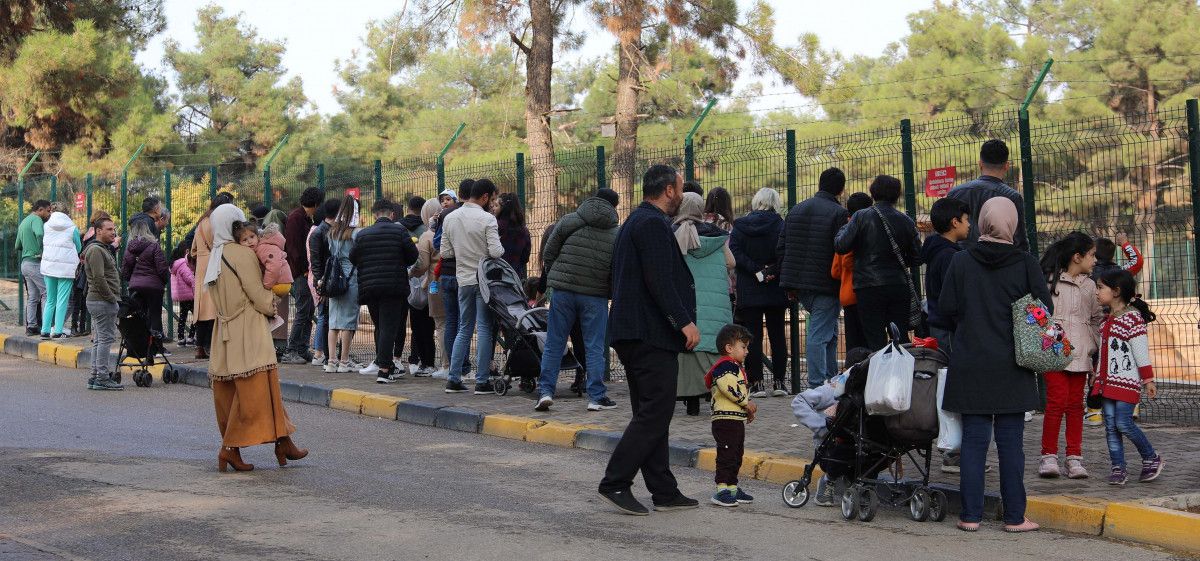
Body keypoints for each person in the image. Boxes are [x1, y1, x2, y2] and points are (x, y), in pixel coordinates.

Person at [939, 197, 1048, 533]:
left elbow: (946, 309)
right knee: (1011, 443)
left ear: (984, 221)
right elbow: (1043, 312)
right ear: (1012, 225)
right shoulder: (1026, 263)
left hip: (971, 362)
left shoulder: (961, 262)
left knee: (973, 441)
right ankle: (1014, 516)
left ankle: (970, 516)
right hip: (1012, 364)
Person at [598, 164, 700, 516]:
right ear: (669, 190)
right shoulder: (652, 224)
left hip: (634, 330)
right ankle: (615, 481)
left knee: (651, 412)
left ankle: (664, 490)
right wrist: (684, 322)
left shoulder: (635, 222)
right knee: (656, 411)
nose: (683, 194)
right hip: (648, 333)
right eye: (681, 188)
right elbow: (660, 281)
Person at [203, 203, 307, 473]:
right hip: (247, 329)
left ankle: (283, 442)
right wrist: (275, 301)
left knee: (232, 393)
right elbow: (257, 295)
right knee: (257, 391)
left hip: (223, 333)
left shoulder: (216, 254)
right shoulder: (241, 253)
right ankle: (229, 448)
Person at [534, 188, 620, 412]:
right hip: (595, 295)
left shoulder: (570, 220)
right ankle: (596, 396)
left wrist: (556, 276)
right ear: (614, 207)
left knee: (554, 343)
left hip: (562, 292)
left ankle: (545, 392)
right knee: (594, 346)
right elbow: (616, 268)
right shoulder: (615, 232)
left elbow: (548, 252)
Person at [1037, 232, 1102, 480]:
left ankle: (1074, 458)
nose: (1094, 260)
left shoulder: (1090, 286)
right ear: (1077, 257)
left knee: (1076, 405)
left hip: (1082, 354)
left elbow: (1096, 318)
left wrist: (1091, 343)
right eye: (1091, 255)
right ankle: (1048, 456)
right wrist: (1053, 341)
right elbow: (1038, 314)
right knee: (1056, 402)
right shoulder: (1049, 281)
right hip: (1054, 353)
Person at [779, 168, 849, 389]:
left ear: (820, 184)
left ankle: (830, 379)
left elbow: (782, 247)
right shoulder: (838, 213)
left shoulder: (796, 210)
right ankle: (818, 384)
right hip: (826, 283)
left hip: (799, 284)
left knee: (830, 332)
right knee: (819, 334)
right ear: (841, 189)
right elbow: (841, 249)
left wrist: (788, 281)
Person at [1093, 269, 1164, 485]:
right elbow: (1103, 356)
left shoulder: (1132, 319)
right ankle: (1118, 467)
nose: (1096, 293)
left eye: (1100, 288)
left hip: (1126, 383)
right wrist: (1096, 378)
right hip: (1106, 384)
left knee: (1123, 423)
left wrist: (1148, 380)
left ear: (1116, 291)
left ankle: (1151, 458)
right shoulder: (1105, 323)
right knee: (1111, 426)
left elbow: (1141, 353)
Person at [834, 175, 921, 350]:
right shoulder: (906, 220)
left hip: (868, 286)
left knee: (874, 339)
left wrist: (844, 227)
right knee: (900, 336)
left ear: (873, 193)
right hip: (898, 285)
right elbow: (917, 257)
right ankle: (902, 374)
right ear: (897, 196)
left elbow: (841, 245)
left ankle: (878, 375)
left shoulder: (861, 216)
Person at [672, 192, 736, 416]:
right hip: (715, 303)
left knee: (688, 349)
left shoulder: (673, 234)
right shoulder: (717, 235)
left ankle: (690, 399)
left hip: (688, 305)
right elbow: (731, 262)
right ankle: (714, 392)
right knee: (714, 345)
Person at [920, 196, 971, 474]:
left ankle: (952, 448)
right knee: (953, 386)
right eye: (966, 219)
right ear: (955, 222)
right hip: (950, 327)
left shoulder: (935, 251)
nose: (969, 224)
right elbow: (954, 298)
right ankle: (953, 452)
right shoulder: (950, 256)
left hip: (938, 325)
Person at [442, 179, 505, 394]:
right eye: (493, 198)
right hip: (484, 281)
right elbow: (496, 252)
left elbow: (445, 253)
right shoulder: (487, 219)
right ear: (485, 197)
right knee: (485, 329)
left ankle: (453, 377)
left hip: (463, 280)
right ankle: (482, 381)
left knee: (464, 328)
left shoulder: (450, 218)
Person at [791, 346, 872, 507]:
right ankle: (828, 481)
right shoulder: (833, 388)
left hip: (860, 442)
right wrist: (822, 426)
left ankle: (859, 482)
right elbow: (799, 401)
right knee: (842, 444)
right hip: (832, 445)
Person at [350, 198, 420, 383]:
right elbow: (413, 255)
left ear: (374, 214)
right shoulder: (399, 231)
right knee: (389, 327)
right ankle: (384, 370)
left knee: (380, 326)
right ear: (392, 214)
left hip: (369, 287)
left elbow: (353, 257)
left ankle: (383, 364)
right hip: (393, 286)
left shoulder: (363, 234)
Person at [730, 188, 788, 398]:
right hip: (775, 287)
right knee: (777, 335)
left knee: (752, 337)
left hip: (749, 286)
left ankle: (756, 384)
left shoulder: (740, 225)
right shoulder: (781, 224)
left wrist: (756, 271)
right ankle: (780, 382)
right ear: (775, 202)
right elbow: (785, 252)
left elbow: (735, 252)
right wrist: (771, 271)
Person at [707, 324, 758, 507]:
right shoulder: (725, 367)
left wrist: (745, 410)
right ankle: (722, 490)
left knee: (736, 453)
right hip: (725, 420)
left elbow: (738, 391)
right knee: (727, 453)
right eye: (743, 347)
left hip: (735, 419)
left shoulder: (735, 367)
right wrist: (747, 404)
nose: (747, 351)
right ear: (729, 348)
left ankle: (732, 487)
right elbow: (729, 388)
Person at [946, 139, 1028, 252]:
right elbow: (1019, 240)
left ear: (980, 164)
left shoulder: (955, 193)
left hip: (961, 261)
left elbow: (946, 235)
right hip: (998, 262)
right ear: (1007, 166)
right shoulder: (1012, 197)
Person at [191, 193, 236, 359]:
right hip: (214, 263)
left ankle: (199, 347)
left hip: (201, 265)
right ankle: (211, 345)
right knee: (213, 307)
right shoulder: (217, 221)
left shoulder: (201, 222)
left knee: (201, 309)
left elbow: (193, 249)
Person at [322, 196, 363, 374]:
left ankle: (331, 361)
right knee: (348, 322)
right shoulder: (355, 234)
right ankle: (344, 361)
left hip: (333, 278)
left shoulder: (332, 232)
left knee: (334, 321)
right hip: (350, 278)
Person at [282, 187, 322, 365]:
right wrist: (305, 270)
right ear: (315, 204)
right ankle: (291, 350)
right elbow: (294, 248)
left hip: (304, 271)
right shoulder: (296, 218)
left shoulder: (304, 217)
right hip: (299, 272)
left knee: (308, 310)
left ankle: (302, 348)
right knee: (303, 310)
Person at [435, 181, 471, 379]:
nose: (445, 202)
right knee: (465, 323)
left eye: (448, 199)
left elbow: (437, 242)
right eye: (443, 200)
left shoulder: (445, 217)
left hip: (446, 274)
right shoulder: (476, 216)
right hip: (464, 273)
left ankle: (452, 367)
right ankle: (463, 367)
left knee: (451, 322)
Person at [82, 217, 122, 391]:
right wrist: (111, 298)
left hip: (99, 300)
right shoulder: (96, 250)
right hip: (102, 300)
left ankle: (95, 376)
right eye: (109, 229)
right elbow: (98, 278)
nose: (113, 232)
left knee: (99, 340)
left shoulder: (101, 249)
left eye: (114, 229)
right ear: (98, 231)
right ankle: (103, 378)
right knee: (105, 339)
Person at [830, 193, 873, 352]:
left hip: (848, 295)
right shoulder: (871, 228)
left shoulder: (844, 233)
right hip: (869, 292)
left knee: (853, 343)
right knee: (871, 339)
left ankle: (854, 373)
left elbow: (835, 271)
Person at [122, 220, 169, 352]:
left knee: (138, 317)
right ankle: (157, 347)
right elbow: (162, 268)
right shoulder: (154, 246)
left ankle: (139, 347)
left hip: (135, 287)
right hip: (154, 287)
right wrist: (163, 281)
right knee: (155, 316)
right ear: (147, 231)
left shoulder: (130, 248)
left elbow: (125, 270)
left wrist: (133, 280)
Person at [408, 198, 443, 376]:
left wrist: (410, 273)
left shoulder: (427, 236)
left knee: (423, 327)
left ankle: (429, 363)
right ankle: (444, 363)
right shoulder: (446, 231)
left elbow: (422, 264)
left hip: (429, 284)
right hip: (446, 281)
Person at [40, 204, 82, 339]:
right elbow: (79, 247)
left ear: (52, 211)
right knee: (62, 300)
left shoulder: (46, 226)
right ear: (67, 213)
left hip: (49, 266)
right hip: (66, 268)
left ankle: (45, 331)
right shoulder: (72, 227)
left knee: (50, 300)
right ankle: (58, 331)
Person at [308, 198, 340, 366]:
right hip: (327, 282)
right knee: (326, 318)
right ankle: (324, 354)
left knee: (327, 318)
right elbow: (316, 262)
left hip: (327, 281)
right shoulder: (321, 233)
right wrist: (320, 284)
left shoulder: (325, 231)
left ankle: (327, 355)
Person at [16, 200, 51, 335]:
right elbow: (40, 234)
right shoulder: (36, 219)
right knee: (46, 293)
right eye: (48, 211)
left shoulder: (23, 222)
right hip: (35, 262)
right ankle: (46, 326)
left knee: (33, 296)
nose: (49, 214)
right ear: (40, 209)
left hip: (25, 264)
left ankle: (31, 326)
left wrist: (28, 247)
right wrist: (40, 250)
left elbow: (17, 246)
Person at [495, 192, 531, 278]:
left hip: (495, 275)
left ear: (503, 208)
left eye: (496, 206)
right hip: (515, 275)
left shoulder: (495, 226)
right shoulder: (524, 230)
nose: (493, 208)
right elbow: (525, 257)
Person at [170, 245, 197, 346]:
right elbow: (189, 278)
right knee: (196, 316)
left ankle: (181, 338)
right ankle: (190, 337)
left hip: (182, 295)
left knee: (182, 316)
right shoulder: (183, 264)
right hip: (189, 295)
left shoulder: (174, 265)